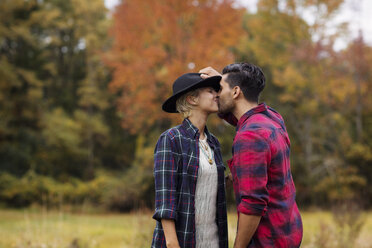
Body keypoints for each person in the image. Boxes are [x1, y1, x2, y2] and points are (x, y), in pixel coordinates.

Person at [199, 63, 303, 248]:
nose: (216, 94)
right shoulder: (272, 118)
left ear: (236, 92)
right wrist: (224, 81)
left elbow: (252, 205)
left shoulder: (250, 136)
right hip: (288, 232)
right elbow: (239, 115)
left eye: (220, 89)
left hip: (267, 241)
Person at [151, 73, 228, 248]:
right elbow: (165, 201)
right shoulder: (171, 139)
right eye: (210, 90)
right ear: (192, 99)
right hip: (183, 242)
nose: (217, 94)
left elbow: (205, 185)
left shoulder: (214, 143)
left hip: (214, 242)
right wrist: (172, 244)